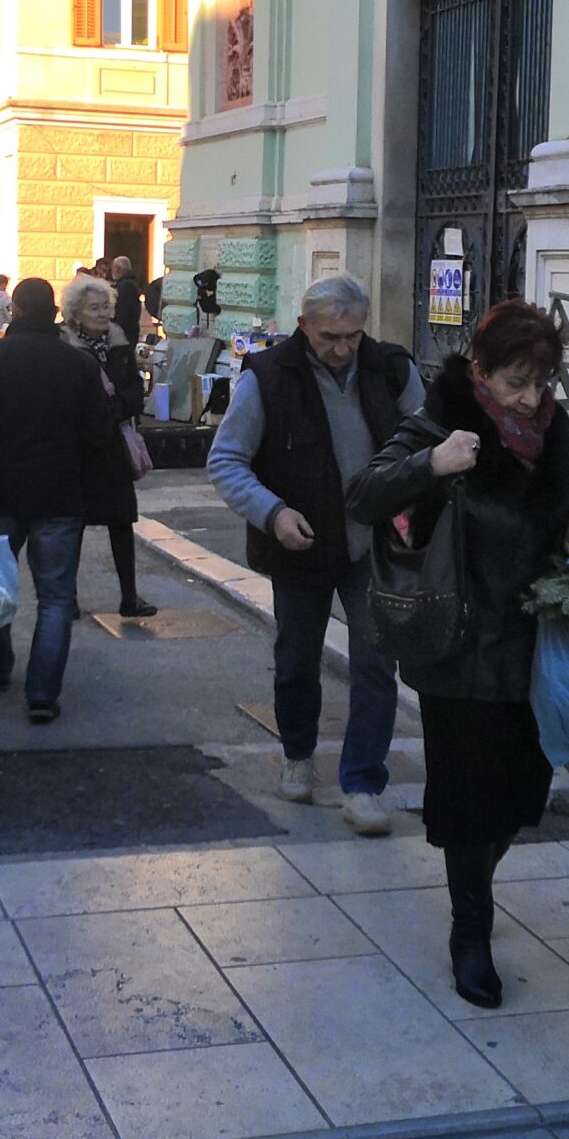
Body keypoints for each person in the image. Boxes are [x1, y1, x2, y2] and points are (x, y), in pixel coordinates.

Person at [348, 301, 569, 1008]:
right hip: (457, 646)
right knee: (470, 798)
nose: (531, 397)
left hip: (533, 644)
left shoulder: (552, 433)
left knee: (523, 794)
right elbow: (363, 493)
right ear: (480, 371)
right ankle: (471, 932)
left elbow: (559, 514)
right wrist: (432, 462)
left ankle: (479, 890)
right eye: (517, 381)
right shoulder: (438, 421)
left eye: (541, 382)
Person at [210, 276, 423, 835]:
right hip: (299, 542)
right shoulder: (267, 380)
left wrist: (412, 500)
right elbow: (227, 460)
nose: (343, 348)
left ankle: (362, 784)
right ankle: (298, 754)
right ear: (303, 327)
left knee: (376, 662)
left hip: (372, 542)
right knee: (297, 657)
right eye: (331, 336)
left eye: (353, 335)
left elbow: (426, 444)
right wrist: (273, 512)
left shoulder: (390, 370)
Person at [0, 278, 118, 724]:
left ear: (16, 311)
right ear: (55, 313)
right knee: (57, 598)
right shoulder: (77, 365)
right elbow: (100, 434)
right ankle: (42, 694)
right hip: (61, 496)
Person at [61, 273, 156, 621]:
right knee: (73, 526)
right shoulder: (64, 345)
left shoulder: (119, 341)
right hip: (79, 448)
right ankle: (67, 597)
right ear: (76, 313)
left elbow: (134, 387)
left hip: (113, 445)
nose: (102, 314)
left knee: (121, 522)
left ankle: (129, 597)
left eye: (105, 307)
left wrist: (119, 407)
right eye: (94, 308)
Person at [111, 256, 145, 344]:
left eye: (113, 268)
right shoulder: (131, 283)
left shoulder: (125, 286)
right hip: (130, 331)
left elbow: (123, 311)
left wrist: (116, 330)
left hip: (125, 333)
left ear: (118, 269)